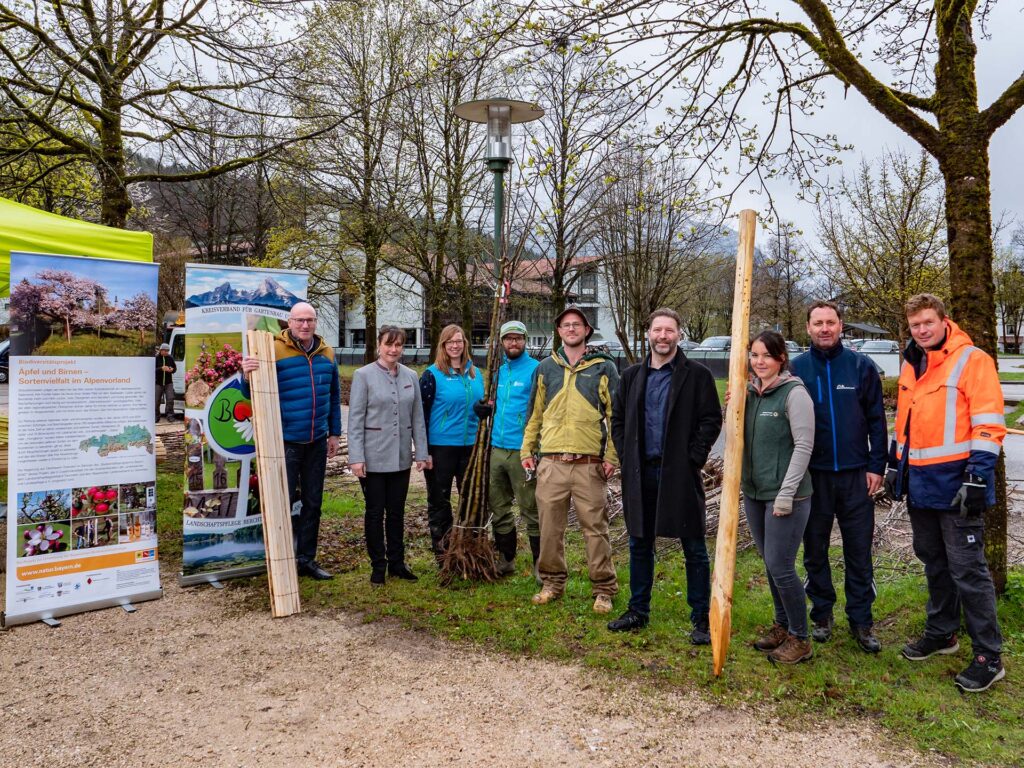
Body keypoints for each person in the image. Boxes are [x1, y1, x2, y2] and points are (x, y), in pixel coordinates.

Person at [886, 294, 1007, 692]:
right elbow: (905, 423)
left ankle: (989, 656)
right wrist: (895, 465)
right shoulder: (912, 362)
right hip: (920, 484)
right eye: (915, 325)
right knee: (933, 561)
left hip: (958, 485)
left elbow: (988, 423)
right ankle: (942, 633)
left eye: (927, 322)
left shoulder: (973, 360)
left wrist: (977, 477)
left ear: (943, 320)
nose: (922, 330)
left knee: (968, 571)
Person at [608, 308, 722, 642]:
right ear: (648, 333)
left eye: (669, 330)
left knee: (694, 547)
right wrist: (626, 454)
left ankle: (702, 617)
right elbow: (618, 419)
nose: (663, 336)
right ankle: (638, 610)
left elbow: (711, 419)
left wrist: (693, 458)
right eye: (657, 330)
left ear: (679, 334)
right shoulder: (631, 376)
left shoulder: (697, 375)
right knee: (639, 543)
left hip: (679, 474)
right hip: (640, 473)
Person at [790, 301, 887, 653]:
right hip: (812, 477)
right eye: (818, 323)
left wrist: (877, 466)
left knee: (858, 551)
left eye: (830, 322)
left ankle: (861, 621)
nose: (825, 328)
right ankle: (821, 614)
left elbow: (877, 421)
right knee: (815, 549)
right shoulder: (796, 369)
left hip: (856, 476)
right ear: (808, 328)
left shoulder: (861, 366)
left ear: (841, 325)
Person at [521, 305, 619, 614]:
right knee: (550, 528)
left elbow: (616, 416)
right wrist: (527, 451)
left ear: (587, 330)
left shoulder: (604, 367)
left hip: (589, 464)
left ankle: (603, 589)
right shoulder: (545, 368)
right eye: (566, 325)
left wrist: (611, 455)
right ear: (559, 331)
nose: (572, 329)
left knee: (596, 529)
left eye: (577, 324)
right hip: (551, 463)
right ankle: (552, 583)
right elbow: (534, 415)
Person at [241, 302, 342, 580]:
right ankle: (279, 560)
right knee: (280, 503)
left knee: (313, 503)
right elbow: (252, 393)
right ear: (290, 321)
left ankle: (306, 559)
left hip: (317, 441)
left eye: (310, 320)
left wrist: (334, 433)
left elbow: (334, 395)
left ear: (316, 322)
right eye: (299, 320)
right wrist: (246, 374)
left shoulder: (327, 352)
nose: (305, 325)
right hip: (284, 442)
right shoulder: (273, 349)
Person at [742, 330, 815, 664]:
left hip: (787, 497)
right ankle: (782, 625)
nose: (760, 362)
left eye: (767, 356)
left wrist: (786, 494)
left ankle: (800, 638)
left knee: (781, 566)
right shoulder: (749, 392)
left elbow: (804, 445)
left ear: (781, 358)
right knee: (771, 565)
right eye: (754, 355)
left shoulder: (794, 393)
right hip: (755, 493)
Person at [348, 326, 431, 586]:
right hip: (373, 458)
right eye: (388, 344)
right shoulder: (363, 376)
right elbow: (355, 420)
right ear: (379, 345)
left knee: (397, 512)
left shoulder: (411, 376)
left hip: (401, 458)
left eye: (398, 345)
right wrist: (356, 457)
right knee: (375, 513)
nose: (393, 350)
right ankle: (378, 565)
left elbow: (417, 418)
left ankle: (397, 562)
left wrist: (421, 452)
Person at [472, 320, 541, 576]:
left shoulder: (536, 370)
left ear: (525, 341)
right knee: (499, 506)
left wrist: (535, 447)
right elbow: (491, 402)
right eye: (509, 338)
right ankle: (506, 557)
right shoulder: (498, 372)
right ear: (501, 342)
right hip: (496, 448)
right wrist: (482, 408)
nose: (514, 342)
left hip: (523, 450)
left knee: (530, 507)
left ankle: (540, 562)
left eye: (518, 338)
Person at [420, 324, 485, 561]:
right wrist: (424, 451)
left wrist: (483, 410)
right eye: (450, 342)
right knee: (440, 500)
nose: (455, 346)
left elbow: (482, 404)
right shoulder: (432, 375)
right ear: (443, 345)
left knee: (471, 498)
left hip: (470, 446)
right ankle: (443, 552)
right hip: (441, 447)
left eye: (459, 341)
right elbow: (421, 415)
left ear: (465, 344)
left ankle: (470, 547)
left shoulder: (475, 374)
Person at [155, 343, 177, 421]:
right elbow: (152, 369)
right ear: (161, 350)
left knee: (170, 399)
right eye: (165, 350)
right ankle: (156, 416)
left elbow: (175, 368)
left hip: (168, 383)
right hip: (158, 383)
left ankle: (170, 416)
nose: (167, 352)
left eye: (168, 351)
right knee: (156, 400)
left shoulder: (170, 358)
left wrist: (172, 370)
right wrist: (161, 368)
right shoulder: (156, 358)